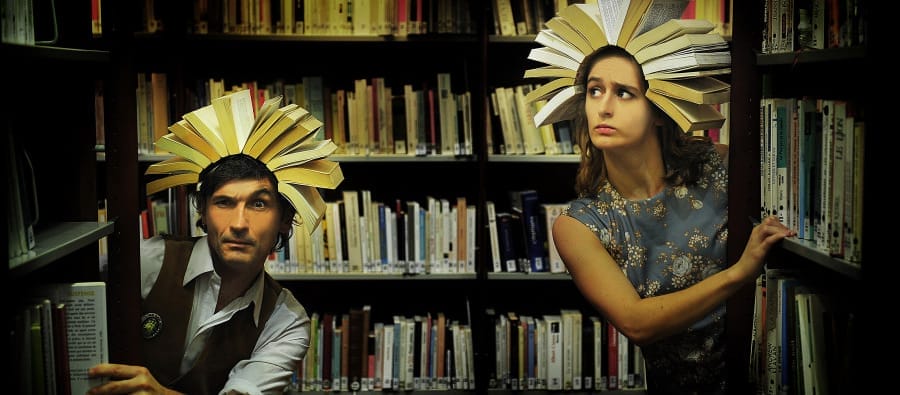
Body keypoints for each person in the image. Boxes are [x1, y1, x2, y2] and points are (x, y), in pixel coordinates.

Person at [550, 45, 796, 394]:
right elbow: (637, 323)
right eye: (594, 90)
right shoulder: (580, 224)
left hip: (771, 375)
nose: (604, 107)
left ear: (660, 111)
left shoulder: (718, 166)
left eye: (624, 93)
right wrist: (740, 273)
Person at [88, 154, 312, 394]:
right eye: (224, 202)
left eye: (259, 204)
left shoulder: (286, 320)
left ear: (285, 220)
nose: (238, 224)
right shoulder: (148, 261)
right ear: (203, 212)